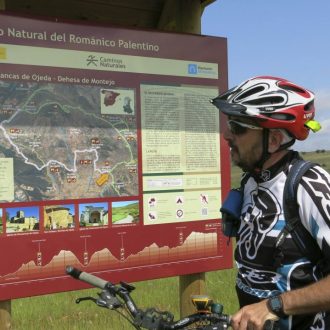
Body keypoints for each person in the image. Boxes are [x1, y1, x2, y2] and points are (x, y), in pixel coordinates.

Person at [211, 76, 330, 330]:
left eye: (238, 127)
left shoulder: (309, 186)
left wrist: (273, 306)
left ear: (274, 140)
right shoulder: (249, 182)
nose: (227, 135)